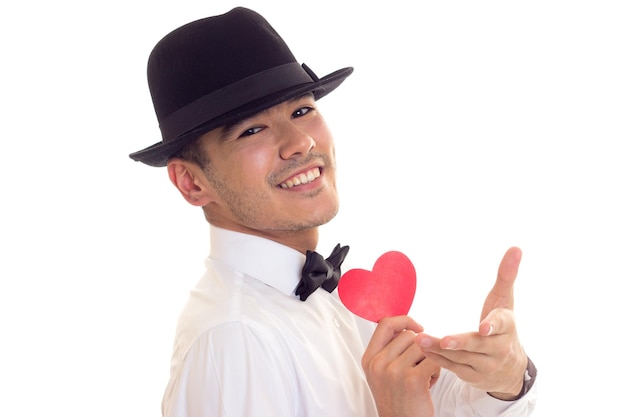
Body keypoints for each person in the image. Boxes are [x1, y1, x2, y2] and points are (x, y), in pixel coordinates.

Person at [129, 7, 537, 417]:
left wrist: (503, 381)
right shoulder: (235, 340)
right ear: (191, 183)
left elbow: (442, 403)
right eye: (252, 130)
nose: (300, 142)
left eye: (302, 110)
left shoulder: (329, 296)